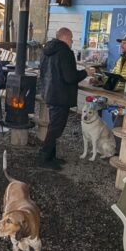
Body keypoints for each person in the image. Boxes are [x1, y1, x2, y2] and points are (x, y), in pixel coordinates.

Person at [38, 27, 91, 170]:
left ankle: (51, 156)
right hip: (61, 96)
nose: (72, 42)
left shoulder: (47, 50)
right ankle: (44, 158)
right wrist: (86, 72)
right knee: (56, 129)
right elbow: (70, 77)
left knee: (53, 126)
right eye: (71, 39)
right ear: (65, 37)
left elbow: (42, 72)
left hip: (49, 93)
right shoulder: (65, 52)